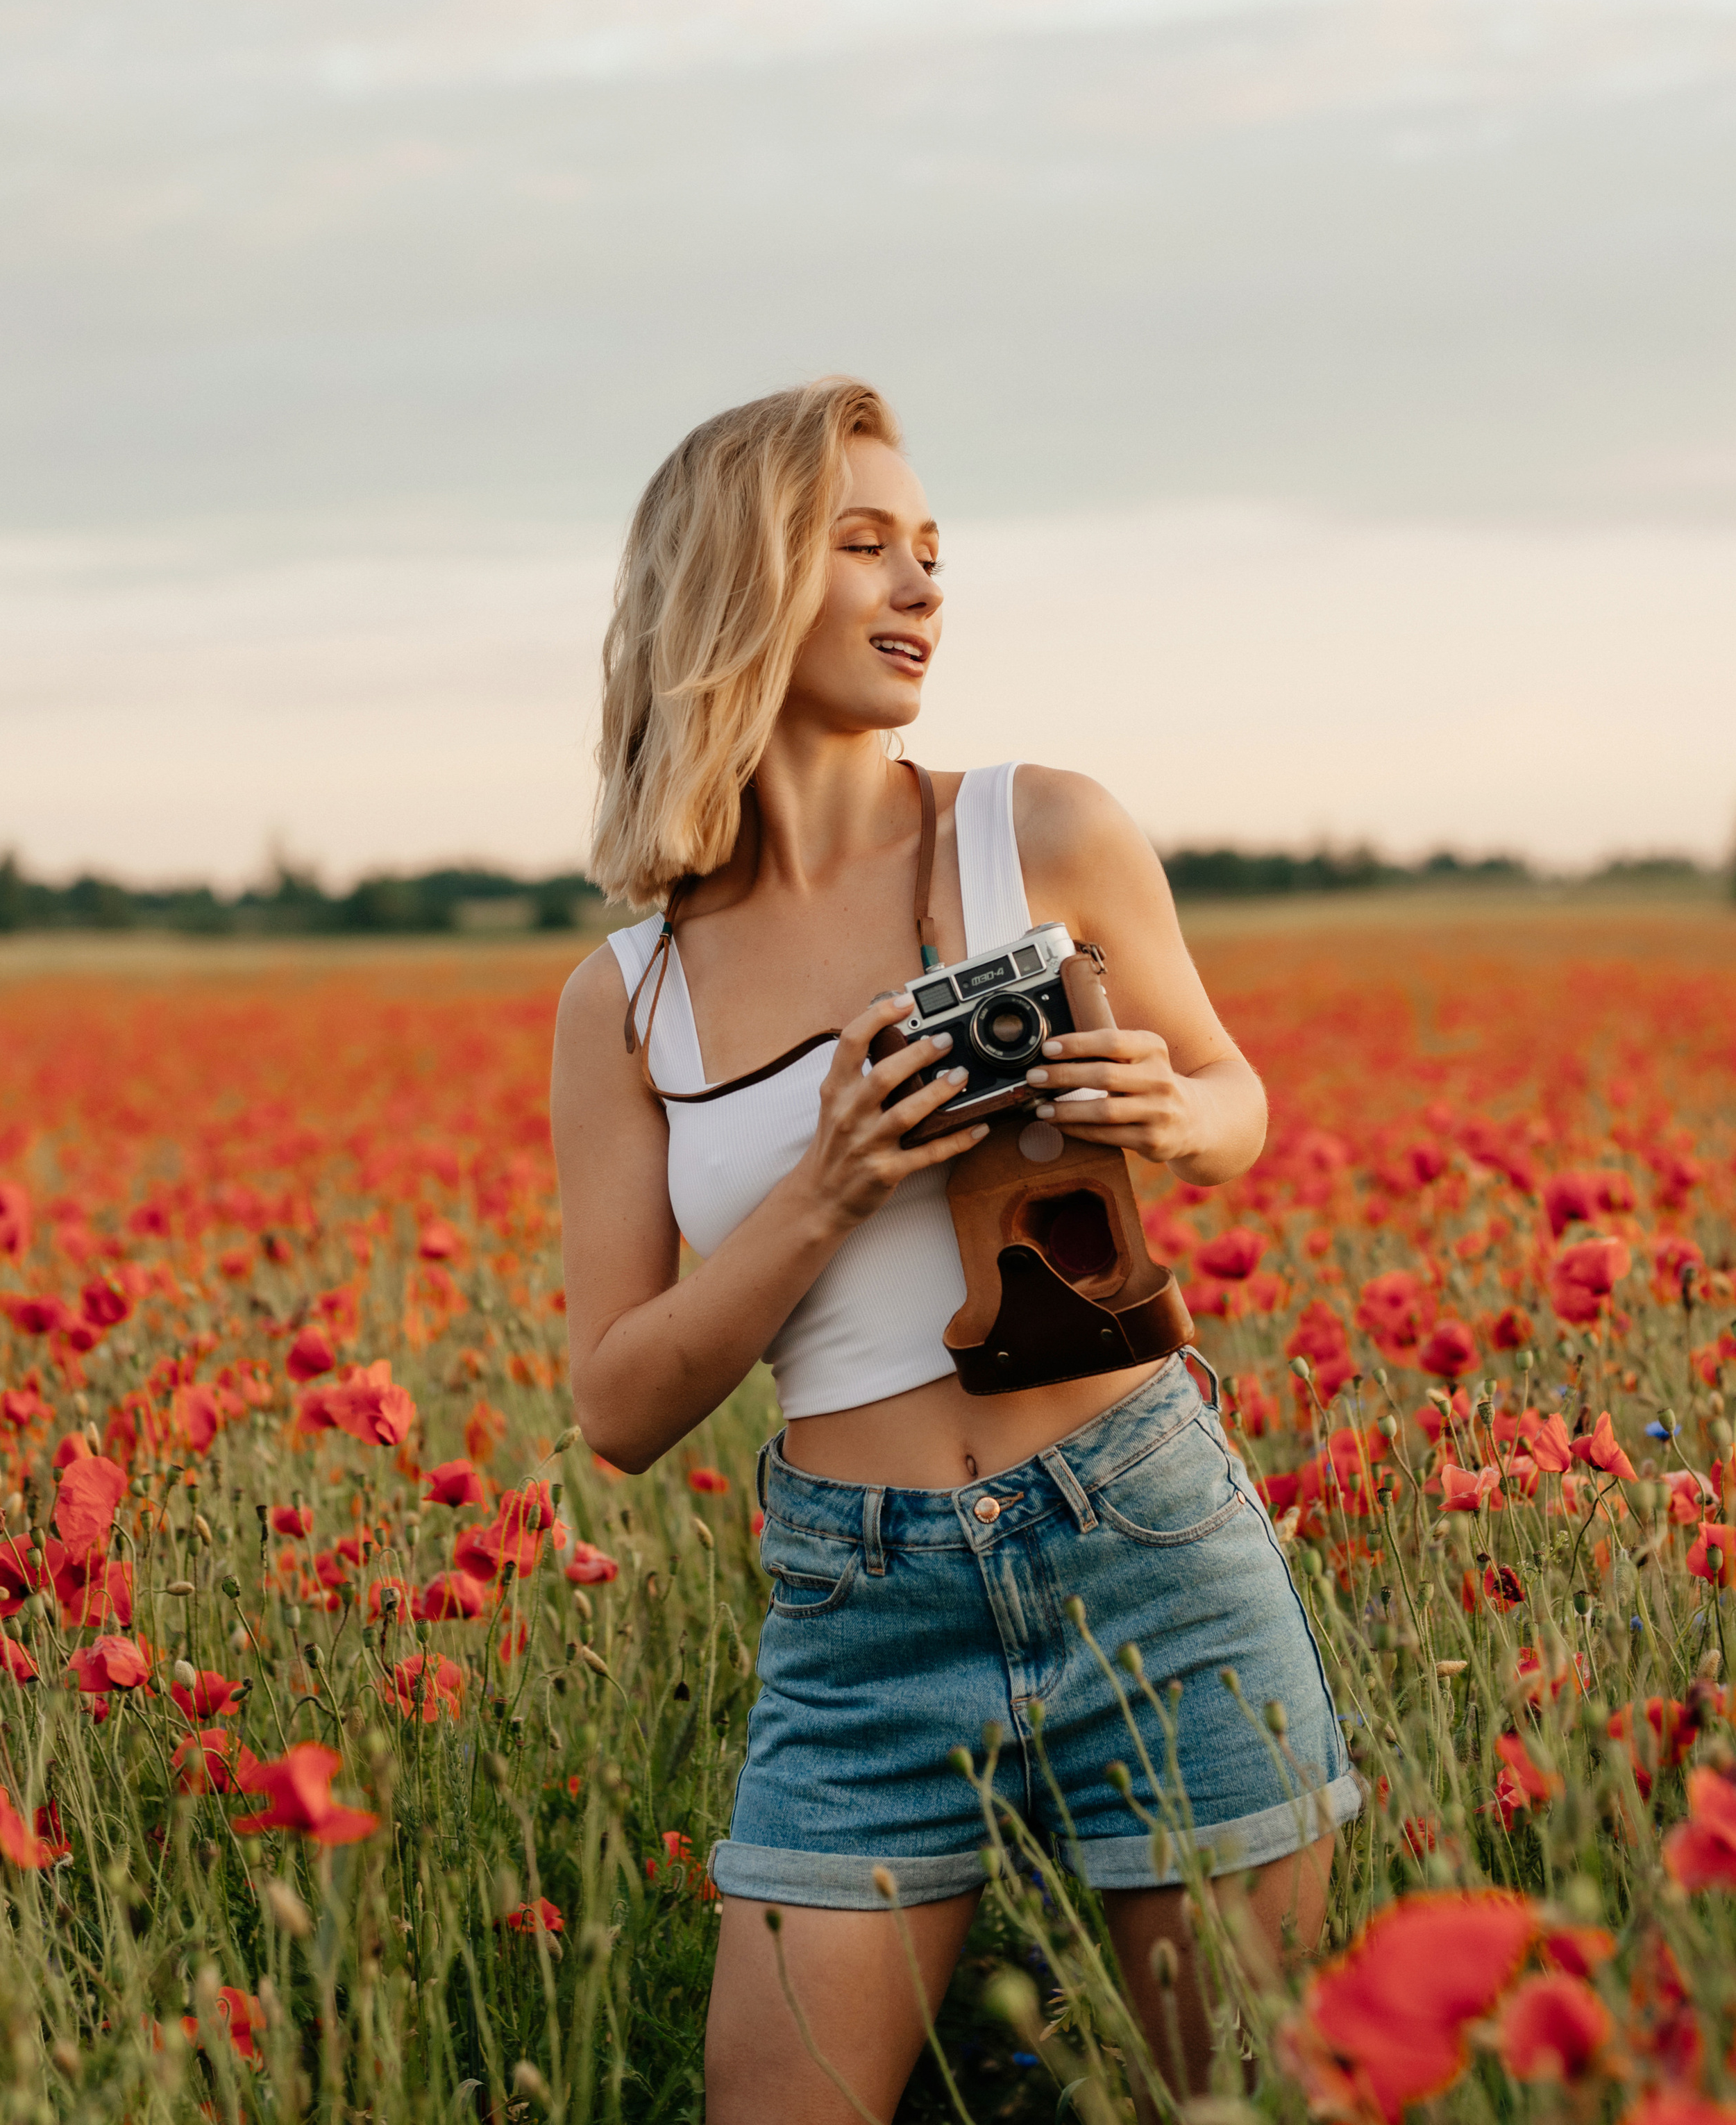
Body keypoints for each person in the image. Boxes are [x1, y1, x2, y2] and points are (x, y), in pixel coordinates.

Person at [553, 380, 1358, 2122]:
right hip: (857, 1611)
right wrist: (825, 1191)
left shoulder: (1038, 829)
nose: (920, 589)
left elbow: (1235, 1099)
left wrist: (1160, 1102)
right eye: (862, 548)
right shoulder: (625, 999)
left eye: (930, 553)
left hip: (1138, 1527)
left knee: (1239, 2106)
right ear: (737, 587)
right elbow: (615, 1407)